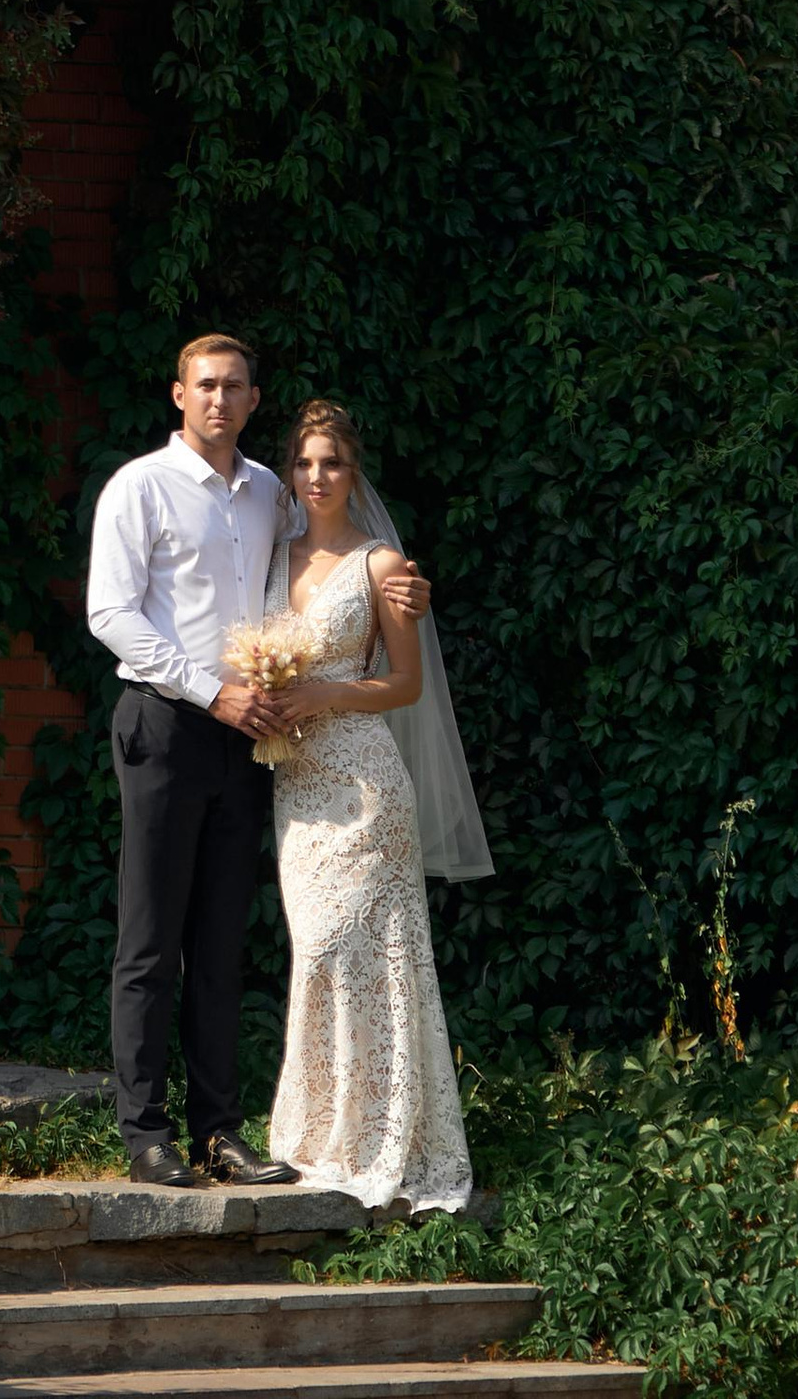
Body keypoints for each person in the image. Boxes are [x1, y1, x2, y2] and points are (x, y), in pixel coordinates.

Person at [86, 331, 430, 1185]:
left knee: (221, 943)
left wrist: (403, 588)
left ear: (252, 399)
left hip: (253, 744)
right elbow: (110, 615)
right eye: (205, 385)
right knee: (150, 940)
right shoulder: (142, 487)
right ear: (178, 395)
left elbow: (332, 561)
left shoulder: (271, 495)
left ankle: (219, 1132)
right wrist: (211, 691)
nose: (218, 400)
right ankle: (145, 1135)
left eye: (234, 387)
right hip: (168, 725)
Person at [262, 395, 479, 1213]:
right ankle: (318, 1134)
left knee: (356, 954)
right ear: (290, 472)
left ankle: (383, 1139)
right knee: (314, 953)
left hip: (364, 785)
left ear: (355, 475)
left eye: (333, 463)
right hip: (297, 785)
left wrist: (323, 691)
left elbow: (406, 683)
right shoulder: (270, 560)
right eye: (305, 463)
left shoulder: (383, 566)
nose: (317, 477)